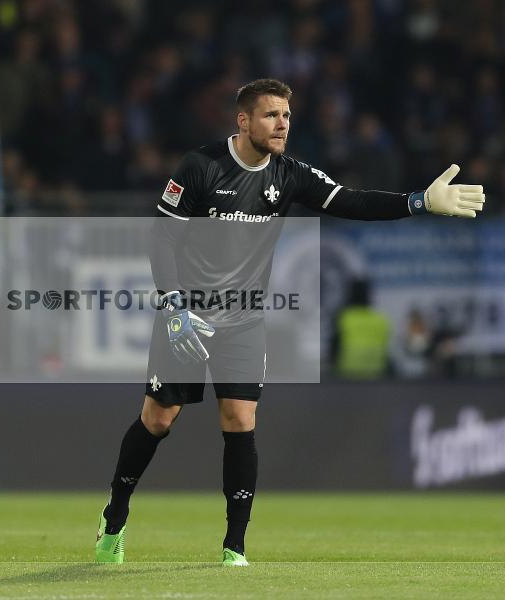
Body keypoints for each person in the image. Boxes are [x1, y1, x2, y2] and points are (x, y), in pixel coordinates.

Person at [96, 78, 485, 567]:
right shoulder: (200, 168)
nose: (282, 125)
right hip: (187, 315)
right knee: (159, 419)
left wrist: (418, 202)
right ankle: (115, 518)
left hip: (241, 320)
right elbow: (162, 241)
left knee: (239, 419)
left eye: (286, 116)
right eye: (271, 116)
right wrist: (174, 305)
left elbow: (352, 201)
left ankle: (234, 546)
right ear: (243, 121)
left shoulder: (291, 174)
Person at [333, 278, 392, 379]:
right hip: (376, 372)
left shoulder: (344, 317)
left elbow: (334, 348)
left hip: (348, 373)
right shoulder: (381, 319)